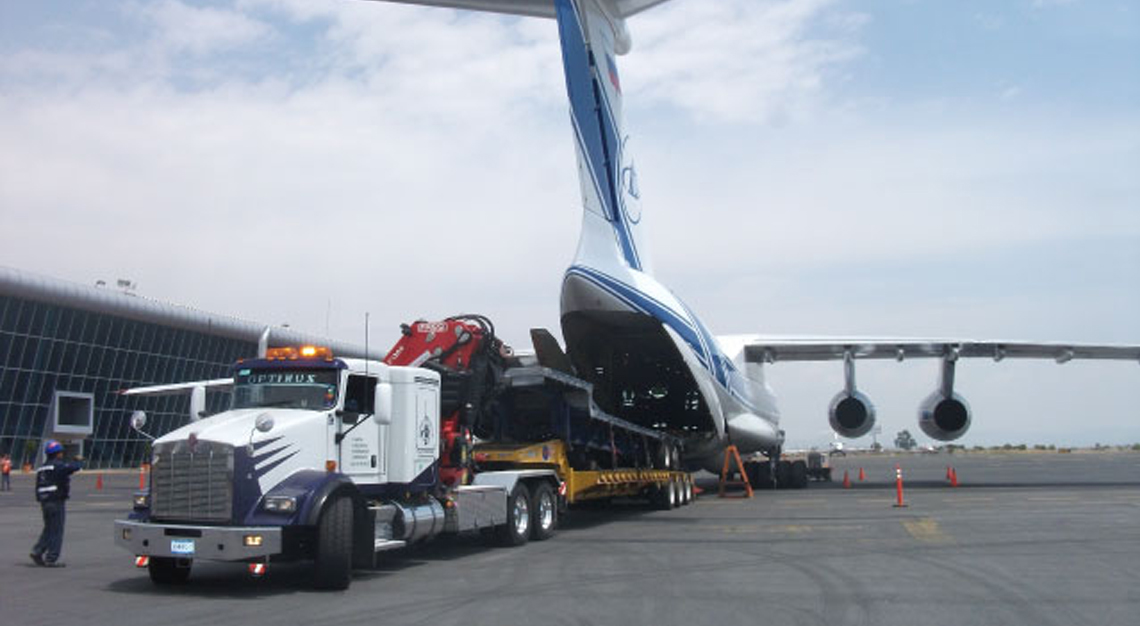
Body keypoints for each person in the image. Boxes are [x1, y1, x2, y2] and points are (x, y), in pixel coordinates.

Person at [30, 440, 82, 567]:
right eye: (60, 452)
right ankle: (51, 558)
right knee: (57, 530)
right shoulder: (58, 466)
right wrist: (78, 460)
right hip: (56, 501)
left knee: (49, 528)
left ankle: (38, 550)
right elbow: (73, 468)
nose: (62, 455)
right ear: (57, 454)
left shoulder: (42, 468)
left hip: (44, 501)